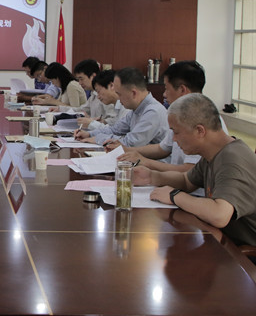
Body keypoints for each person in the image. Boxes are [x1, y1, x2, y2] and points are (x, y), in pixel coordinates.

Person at [133, 93, 256, 247]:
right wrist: (151, 177)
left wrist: (174, 196)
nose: (174, 140)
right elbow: (187, 181)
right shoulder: (213, 154)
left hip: (245, 252)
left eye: (176, 132)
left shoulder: (231, 160)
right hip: (223, 241)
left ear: (200, 131)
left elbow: (219, 215)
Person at [118, 61, 227, 171]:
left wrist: (145, 162)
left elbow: (189, 171)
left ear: (182, 90)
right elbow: (162, 148)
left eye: (167, 88)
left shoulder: (201, 119)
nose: (164, 94)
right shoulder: (180, 115)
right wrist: (126, 150)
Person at [75, 67, 168, 148]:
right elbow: (115, 130)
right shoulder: (136, 110)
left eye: (119, 94)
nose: (118, 99)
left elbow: (130, 142)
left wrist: (97, 138)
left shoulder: (153, 112)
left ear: (133, 93)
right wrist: (89, 134)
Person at [56, 59, 117, 129]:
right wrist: (60, 108)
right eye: (78, 79)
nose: (80, 83)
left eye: (81, 79)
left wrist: (96, 122)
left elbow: (114, 121)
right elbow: (81, 109)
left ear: (93, 76)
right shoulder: (93, 94)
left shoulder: (106, 96)